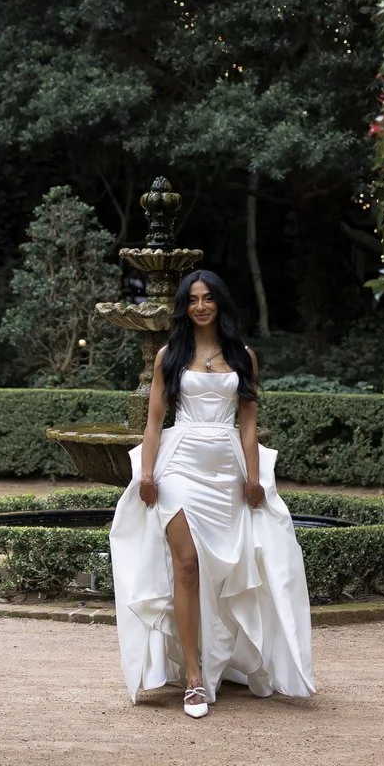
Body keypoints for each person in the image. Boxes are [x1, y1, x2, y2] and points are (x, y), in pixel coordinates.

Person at [109, 270, 316, 716]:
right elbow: (154, 420)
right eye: (193, 299)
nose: (200, 306)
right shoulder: (170, 354)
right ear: (184, 306)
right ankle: (195, 679)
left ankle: (223, 659)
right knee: (185, 563)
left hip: (226, 468)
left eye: (208, 298)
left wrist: (254, 477)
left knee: (227, 571)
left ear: (219, 303)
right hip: (180, 463)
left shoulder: (243, 356)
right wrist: (146, 473)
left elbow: (248, 424)